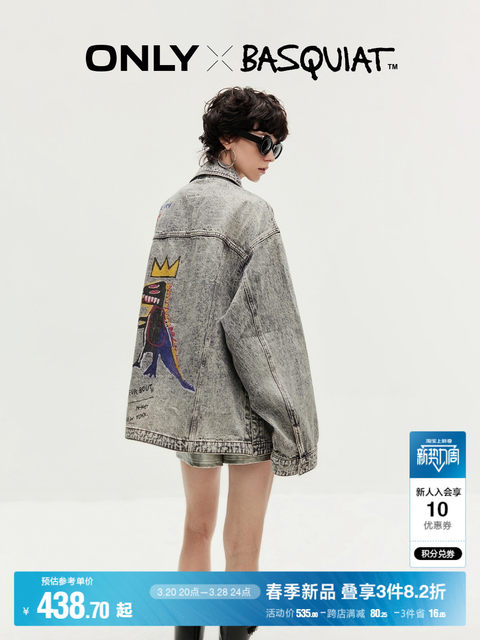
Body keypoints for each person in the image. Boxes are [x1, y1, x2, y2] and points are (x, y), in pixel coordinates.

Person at [125, 87, 319, 640]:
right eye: (263, 142)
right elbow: (266, 330)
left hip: (187, 400)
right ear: (227, 140)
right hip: (245, 405)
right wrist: (292, 419)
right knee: (243, 543)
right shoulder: (251, 213)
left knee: (196, 528)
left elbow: (157, 308)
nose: (270, 156)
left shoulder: (172, 208)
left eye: (278, 146)